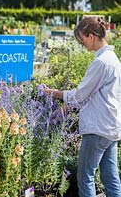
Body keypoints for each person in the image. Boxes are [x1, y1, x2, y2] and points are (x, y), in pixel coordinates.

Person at [44, 17, 121, 197]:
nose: (82, 44)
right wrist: (66, 107)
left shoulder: (101, 62)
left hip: (98, 127)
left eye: (82, 39)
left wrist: (56, 93)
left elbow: (81, 94)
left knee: (85, 176)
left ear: (92, 36)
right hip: (111, 126)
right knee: (110, 177)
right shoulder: (113, 59)